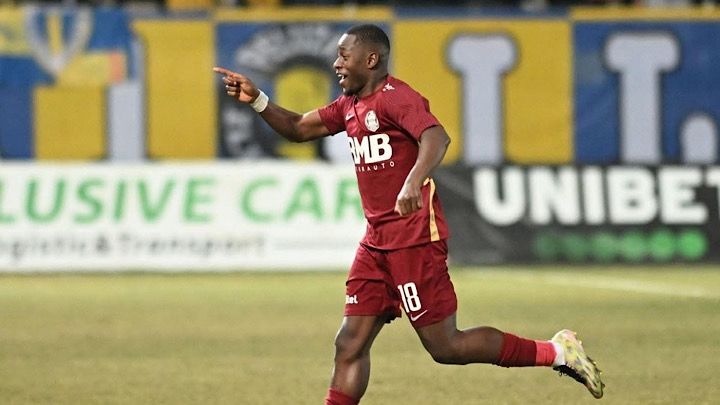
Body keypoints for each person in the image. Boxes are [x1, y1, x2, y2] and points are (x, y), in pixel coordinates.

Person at [214, 24, 604, 404]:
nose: (336, 63)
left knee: (446, 346)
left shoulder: (396, 98)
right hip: (376, 243)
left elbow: (436, 136)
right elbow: (299, 128)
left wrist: (413, 182)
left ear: (370, 59)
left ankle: (557, 352)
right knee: (349, 342)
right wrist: (258, 100)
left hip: (414, 239)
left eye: (344, 56)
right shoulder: (349, 105)